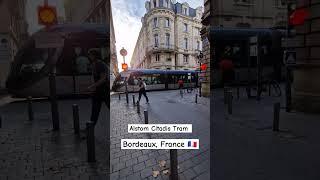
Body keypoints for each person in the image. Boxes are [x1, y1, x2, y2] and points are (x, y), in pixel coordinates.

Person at [87, 49, 109, 126]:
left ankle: (90, 128)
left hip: (103, 90)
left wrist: (92, 86)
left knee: (96, 109)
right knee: (95, 110)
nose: (89, 57)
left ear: (94, 55)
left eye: (90, 55)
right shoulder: (96, 64)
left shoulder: (100, 64)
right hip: (99, 90)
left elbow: (103, 79)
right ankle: (90, 128)